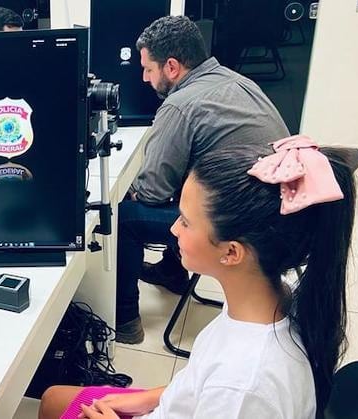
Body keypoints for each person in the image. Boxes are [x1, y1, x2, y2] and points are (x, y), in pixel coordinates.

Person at [39, 139, 358, 418]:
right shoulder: (268, 297)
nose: (174, 229)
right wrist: (150, 398)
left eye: (186, 222)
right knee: (55, 399)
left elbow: (221, 388)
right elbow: (196, 383)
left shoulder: (243, 385)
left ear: (232, 253)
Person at [115, 16, 290, 343]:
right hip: (279, 212)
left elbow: (153, 190)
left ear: (171, 67)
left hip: (245, 229)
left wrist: (136, 190)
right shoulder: (238, 82)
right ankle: (171, 271)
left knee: (124, 218)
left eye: (148, 69)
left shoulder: (180, 104)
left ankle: (124, 319)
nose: (144, 78)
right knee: (187, 188)